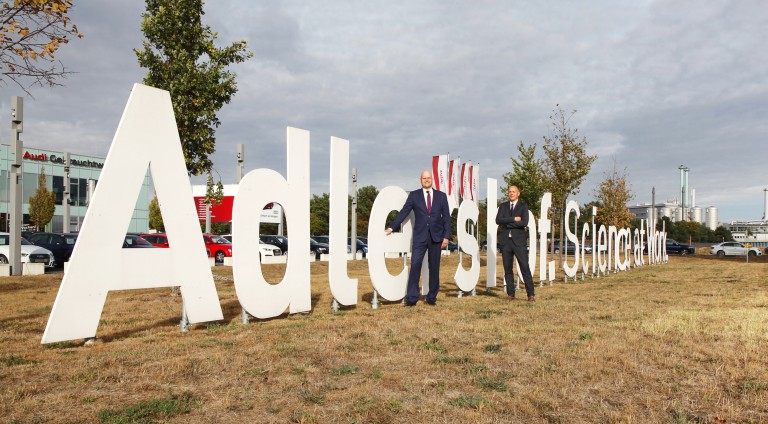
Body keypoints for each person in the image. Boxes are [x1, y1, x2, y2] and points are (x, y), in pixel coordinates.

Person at [385, 170, 451, 306]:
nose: (426, 180)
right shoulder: (414, 195)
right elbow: (404, 211)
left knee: (434, 268)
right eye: (424, 178)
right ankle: (412, 298)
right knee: (415, 266)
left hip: (436, 237)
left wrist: (446, 236)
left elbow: (446, 218)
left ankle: (432, 298)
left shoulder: (441, 196)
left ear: (432, 179)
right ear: (420, 180)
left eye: (428, 178)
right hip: (419, 237)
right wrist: (392, 227)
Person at [495, 184, 535, 302]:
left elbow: (524, 223)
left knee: (524, 267)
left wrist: (507, 222)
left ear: (518, 193)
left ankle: (531, 295)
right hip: (505, 242)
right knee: (507, 269)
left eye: (513, 191)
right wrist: (513, 219)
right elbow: (498, 220)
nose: (511, 193)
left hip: (519, 241)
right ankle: (511, 294)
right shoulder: (503, 206)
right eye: (509, 191)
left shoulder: (523, 206)